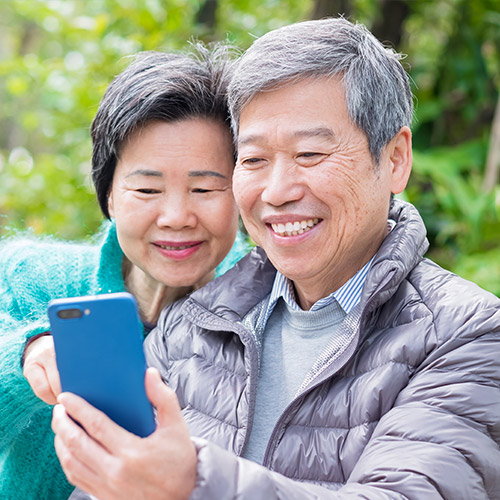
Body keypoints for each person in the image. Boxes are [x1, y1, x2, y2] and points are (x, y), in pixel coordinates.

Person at [52, 17, 500, 500]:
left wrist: (192, 482)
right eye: (254, 160)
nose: (278, 191)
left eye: (309, 154)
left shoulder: (468, 335)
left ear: (394, 159)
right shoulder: (193, 326)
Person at [0, 43, 251, 500]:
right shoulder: (33, 279)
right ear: (110, 196)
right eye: (147, 188)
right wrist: (26, 357)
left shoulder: (266, 314)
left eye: (204, 187)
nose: (176, 216)